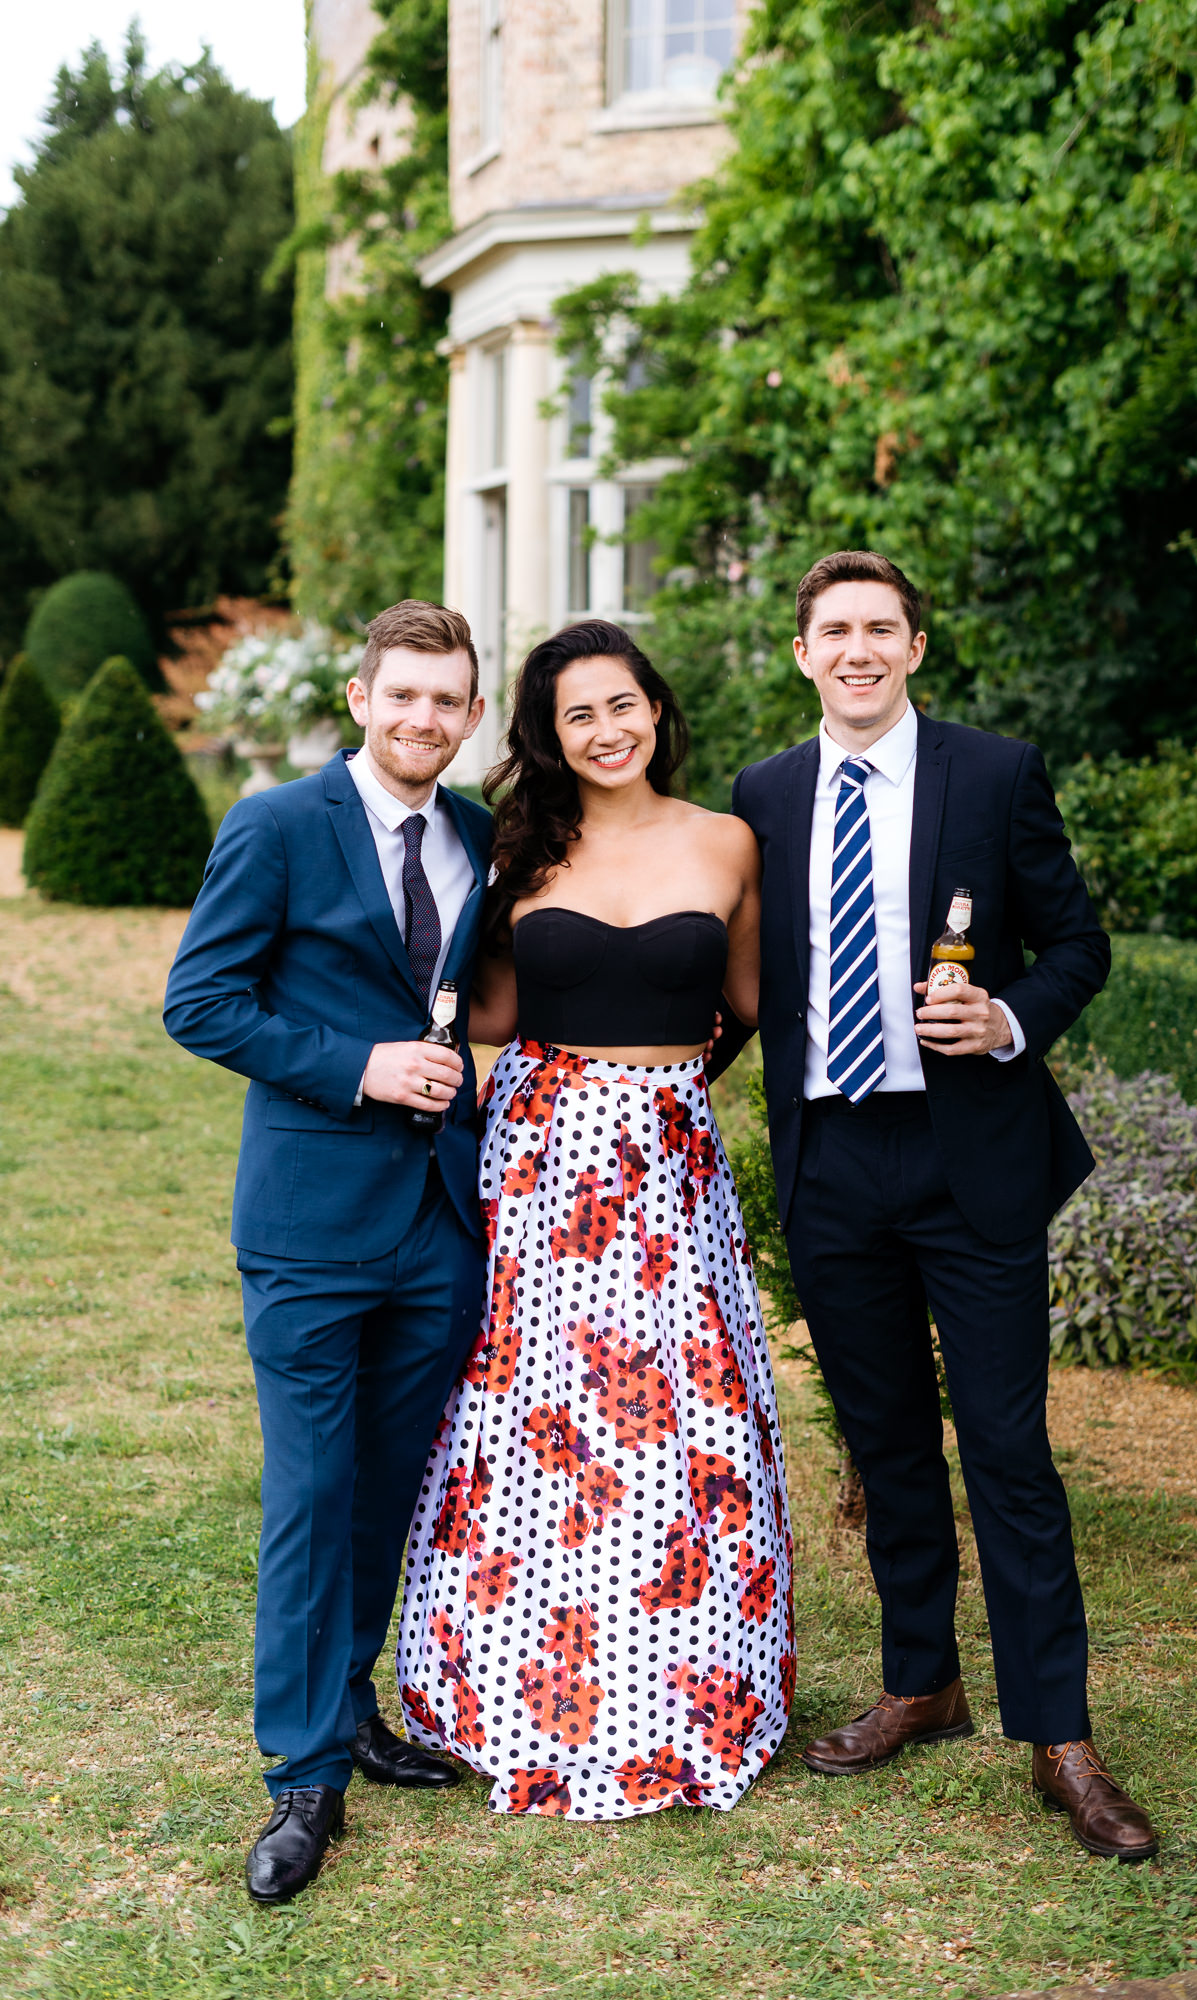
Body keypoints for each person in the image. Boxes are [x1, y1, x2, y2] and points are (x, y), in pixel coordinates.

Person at [722, 549, 1157, 1862]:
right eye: (831, 631)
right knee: (888, 1440)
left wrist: (1011, 1014)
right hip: (832, 1162)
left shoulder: (994, 773)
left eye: (879, 629)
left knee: (1005, 1448)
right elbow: (738, 985)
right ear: (800, 653)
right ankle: (921, 1680)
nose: (855, 649)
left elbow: (1077, 941)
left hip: (969, 1156)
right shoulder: (762, 797)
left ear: (913, 647)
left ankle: (1057, 1735)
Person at [395, 619, 794, 1819]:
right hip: (539, 1163)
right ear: (550, 736)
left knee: (681, 1421)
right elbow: (495, 1014)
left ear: (657, 710)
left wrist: (660, 1094)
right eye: (580, 715)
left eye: (624, 705)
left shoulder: (729, 842)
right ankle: (520, 1697)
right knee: (539, 1427)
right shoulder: (521, 851)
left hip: (670, 1169)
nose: (608, 730)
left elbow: (752, 1004)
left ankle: (685, 1695)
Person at [163, 601, 494, 1903]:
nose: (422, 718)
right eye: (401, 694)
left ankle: (351, 1703)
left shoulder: (476, 836)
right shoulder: (278, 827)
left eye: (446, 700)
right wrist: (356, 1067)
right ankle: (302, 1773)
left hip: (436, 1226)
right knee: (309, 1494)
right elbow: (202, 1001)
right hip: (308, 1226)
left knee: (383, 1485)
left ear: (470, 718)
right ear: (360, 698)